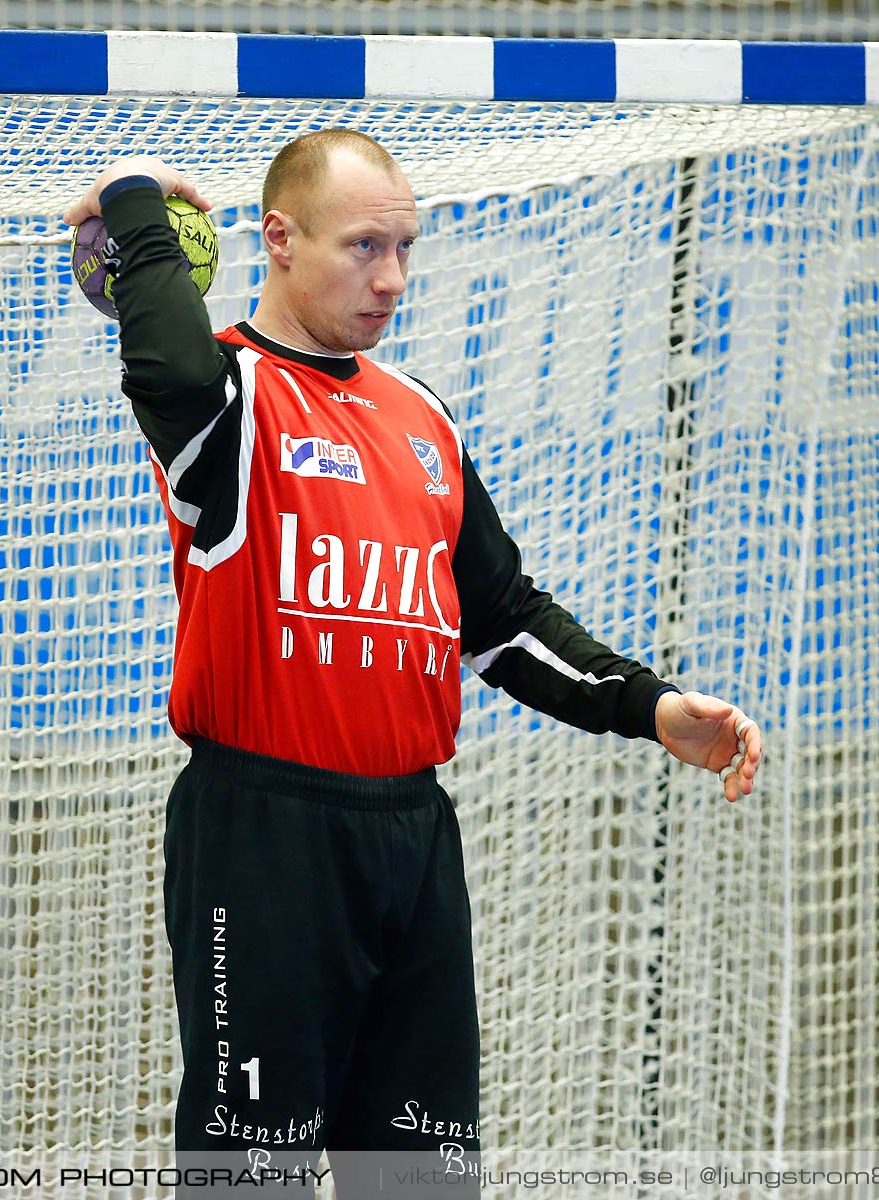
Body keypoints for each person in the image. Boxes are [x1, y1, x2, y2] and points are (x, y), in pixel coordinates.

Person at [63, 129, 763, 1195]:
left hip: (411, 836)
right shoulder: (232, 405)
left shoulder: (419, 416)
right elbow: (161, 359)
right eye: (362, 248)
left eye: (405, 249)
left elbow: (501, 617)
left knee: (423, 1172)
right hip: (262, 835)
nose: (391, 279)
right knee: (256, 1168)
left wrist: (650, 706)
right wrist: (132, 202)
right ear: (281, 239)